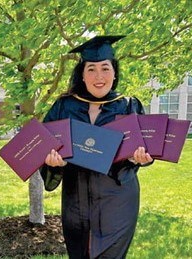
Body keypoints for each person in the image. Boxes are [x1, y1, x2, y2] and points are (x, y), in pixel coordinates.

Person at [40, 35, 153, 259]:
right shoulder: (64, 106)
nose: (99, 76)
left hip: (118, 201)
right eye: (91, 69)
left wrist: (140, 158)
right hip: (76, 201)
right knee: (80, 253)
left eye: (105, 68)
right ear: (82, 74)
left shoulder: (129, 105)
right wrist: (52, 162)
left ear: (114, 72)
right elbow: (43, 147)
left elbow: (146, 149)